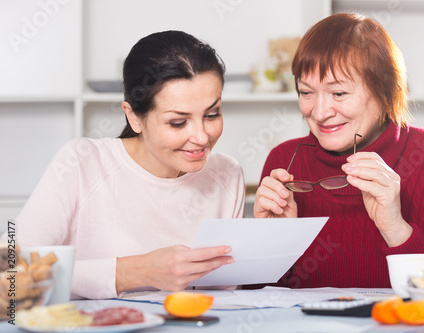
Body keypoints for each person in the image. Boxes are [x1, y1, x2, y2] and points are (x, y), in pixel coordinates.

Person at [1, 31, 245, 299]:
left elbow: (224, 296)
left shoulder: (227, 174)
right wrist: (132, 272)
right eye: (178, 122)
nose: (201, 137)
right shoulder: (82, 162)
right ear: (134, 117)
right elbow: (9, 270)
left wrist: (264, 239)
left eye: (212, 114)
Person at [252, 13, 424, 289]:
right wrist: (269, 245)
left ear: (385, 91)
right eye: (306, 93)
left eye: (339, 93)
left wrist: (396, 229)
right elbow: (257, 308)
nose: (319, 112)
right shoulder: (283, 162)